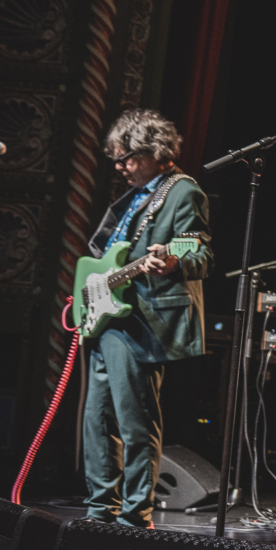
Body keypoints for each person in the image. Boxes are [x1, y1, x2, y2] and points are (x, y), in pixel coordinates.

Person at [82, 109, 212, 527]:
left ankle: (136, 513)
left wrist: (174, 259)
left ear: (155, 153)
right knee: (98, 418)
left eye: (127, 159)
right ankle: (101, 507)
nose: (119, 167)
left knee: (134, 418)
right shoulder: (134, 196)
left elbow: (199, 250)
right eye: (116, 160)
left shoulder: (182, 192)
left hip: (141, 319)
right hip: (109, 317)